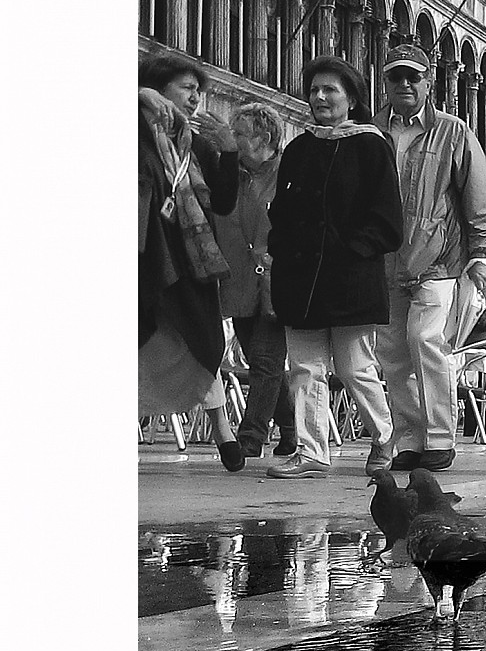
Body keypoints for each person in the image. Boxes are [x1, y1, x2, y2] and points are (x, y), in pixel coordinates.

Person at [266, 58, 402, 477]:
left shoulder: (371, 145)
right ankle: (311, 453)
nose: (320, 97)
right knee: (305, 368)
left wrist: (352, 250)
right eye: (314, 90)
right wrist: (281, 248)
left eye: (331, 90)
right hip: (300, 279)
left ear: (351, 99)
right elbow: (282, 213)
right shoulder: (299, 148)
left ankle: (384, 438)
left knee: (354, 367)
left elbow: (387, 220)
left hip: (350, 280)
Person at [375, 42, 486, 473]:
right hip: (385, 262)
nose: (405, 83)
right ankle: (409, 439)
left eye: (414, 76)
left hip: (439, 262)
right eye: (395, 76)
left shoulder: (453, 131)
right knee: (393, 355)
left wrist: (481, 253)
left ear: (429, 82)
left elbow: (478, 196)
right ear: (384, 82)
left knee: (428, 342)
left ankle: (441, 437)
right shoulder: (372, 132)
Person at [139, 51, 243, 452]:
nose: (196, 97)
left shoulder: (192, 141)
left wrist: (230, 150)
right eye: (187, 88)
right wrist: (140, 95)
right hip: (147, 252)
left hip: (189, 257)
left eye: (199, 90)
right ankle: (222, 429)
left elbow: (223, 201)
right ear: (158, 89)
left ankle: (220, 424)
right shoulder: (137, 127)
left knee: (202, 340)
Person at [210, 101, 298, 469]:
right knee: (261, 361)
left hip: (274, 278)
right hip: (238, 280)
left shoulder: (287, 174)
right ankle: (290, 425)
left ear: (263, 137)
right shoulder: (232, 172)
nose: (232, 139)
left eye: (239, 133)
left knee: (265, 360)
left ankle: (250, 438)